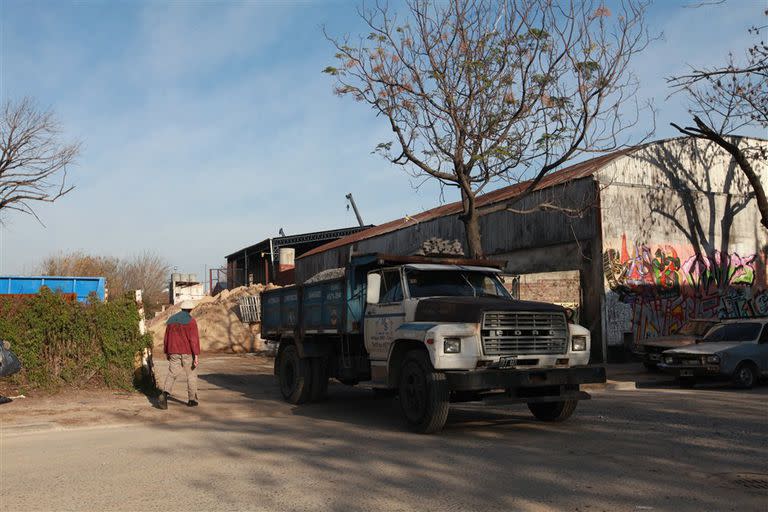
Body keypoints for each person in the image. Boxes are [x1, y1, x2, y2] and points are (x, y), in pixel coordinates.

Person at [158, 300, 200, 409]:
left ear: (181, 309)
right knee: (191, 375)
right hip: (187, 352)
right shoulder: (191, 321)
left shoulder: (171, 320)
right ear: (190, 309)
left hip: (173, 351)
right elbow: (193, 340)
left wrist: (167, 352)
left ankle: (165, 394)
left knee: (172, 373)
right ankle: (192, 400)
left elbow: (166, 338)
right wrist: (196, 355)